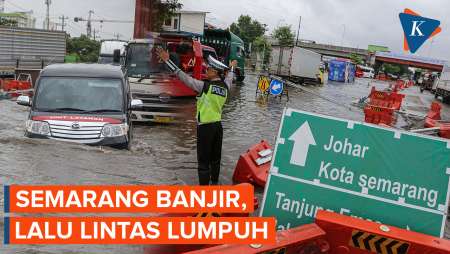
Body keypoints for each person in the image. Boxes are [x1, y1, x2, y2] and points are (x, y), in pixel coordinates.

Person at [156, 47, 237, 185]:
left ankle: (203, 192)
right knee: (216, 159)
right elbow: (230, 76)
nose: (206, 70)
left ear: (215, 72)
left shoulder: (204, 86)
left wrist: (168, 61)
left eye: (209, 69)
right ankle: (215, 185)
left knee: (203, 162)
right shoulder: (225, 86)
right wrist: (232, 68)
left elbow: (184, 78)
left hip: (205, 127)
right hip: (218, 127)